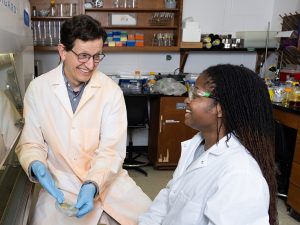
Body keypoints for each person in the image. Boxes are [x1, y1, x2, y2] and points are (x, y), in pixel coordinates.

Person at [16, 15, 151, 225]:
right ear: (62, 51)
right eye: (83, 56)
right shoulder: (38, 89)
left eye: (97, 56)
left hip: (109, 183)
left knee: (154, 219)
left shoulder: (111, 92)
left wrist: (92, 184)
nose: (90, 65)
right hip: (61, 186)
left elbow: (111, 151)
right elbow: (31, 142)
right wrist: (35, 164)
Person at [139, 64, 278, 225]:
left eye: (196, 94)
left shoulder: (240, 175)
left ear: (220, 108)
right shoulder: (196, 146)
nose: (186, 100)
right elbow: (169, 196)